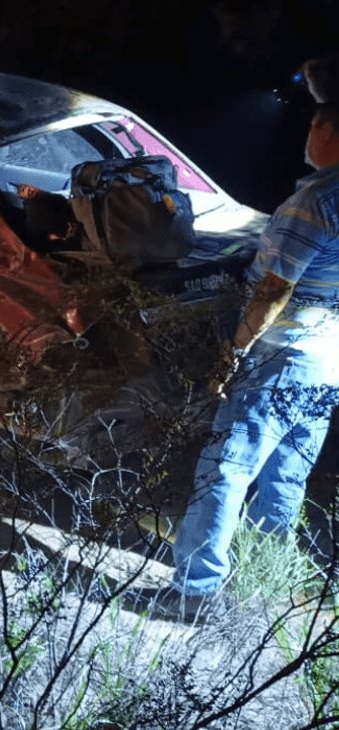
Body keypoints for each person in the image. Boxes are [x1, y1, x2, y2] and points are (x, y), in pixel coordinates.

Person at [163, 56, 339, 622]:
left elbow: (272, 292)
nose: (308, 133)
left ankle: (195, 592)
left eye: (316, 121)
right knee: (286, 474)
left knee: (226, 467)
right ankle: (261, 589)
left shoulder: (312, 205)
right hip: (328, 361)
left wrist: (232, 354)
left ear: (331, 132)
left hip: (282, 355)